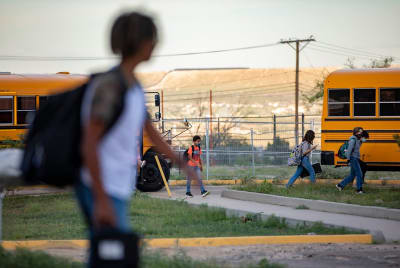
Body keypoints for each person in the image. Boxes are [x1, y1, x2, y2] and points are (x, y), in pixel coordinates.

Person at [76, 11, 199, 267]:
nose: (155, 44)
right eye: (153, 38)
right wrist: (100, 199)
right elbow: (88, 142)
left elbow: (152, 133)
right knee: (114, 257)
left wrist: (182, 163)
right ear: (141, 42)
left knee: (108, 256)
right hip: (102, 187)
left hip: (116, 186)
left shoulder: (132, 85)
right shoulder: (110, 85)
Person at [336, 127, 364, 193]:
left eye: (361, 132)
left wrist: (361, 140)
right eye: (360, 132)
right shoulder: (353, 140)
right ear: (356, 132)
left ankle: (340, 185)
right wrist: (348, 159)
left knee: (352, 175)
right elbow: (349, 150)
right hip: (353, 158)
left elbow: (358, 147)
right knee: (359, 174)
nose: (361, 133)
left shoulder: (357, 139)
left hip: (355, 158)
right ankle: (359, 190)